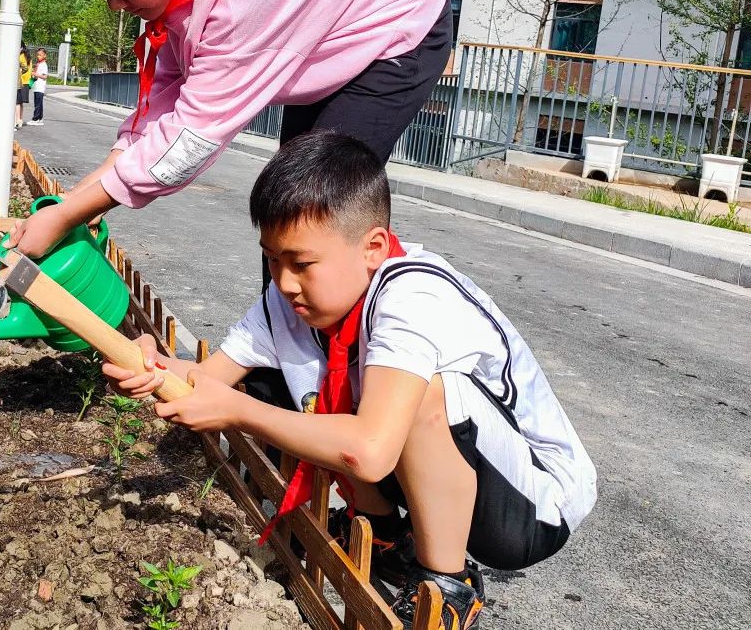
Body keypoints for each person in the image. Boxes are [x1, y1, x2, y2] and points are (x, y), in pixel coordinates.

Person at [103, 132, 597, 630]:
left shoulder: (413, 294)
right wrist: (154, 366)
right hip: (437, 467)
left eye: (302, 263)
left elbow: (373, 449)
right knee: (272, 383)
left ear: (373, 248)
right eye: (272, 260)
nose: (284, 281)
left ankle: (448, 584)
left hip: (529, 503)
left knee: (418, 393)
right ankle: (385, 537)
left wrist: (238, 411)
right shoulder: (286, 300)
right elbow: (211, 378)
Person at [6, 0, 452, 259]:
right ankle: (287, 343)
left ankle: (375, 333)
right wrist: (80, 198)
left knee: (316, 217)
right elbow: (166, 93)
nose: (114, 4)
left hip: (395, 27)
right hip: (329, 26)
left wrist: (68, 214)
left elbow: (191, 137)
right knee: (291, 213)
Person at [30, 48, 49, 125]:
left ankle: (35, 119)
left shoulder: (44, 65)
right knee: (39, 103)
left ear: (44, 55)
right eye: (37, 55)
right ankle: (40, 118)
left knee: (37, 104)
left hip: (40, 86)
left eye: (40, 55)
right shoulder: (39, 64)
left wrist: (35, 74)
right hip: (37, 86)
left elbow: (45, 76)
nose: (38, 56)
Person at [16, 43, 32, 129]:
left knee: (17, 102)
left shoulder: (20, 56)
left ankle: (18, 120)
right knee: (20, 103)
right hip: (26, 80)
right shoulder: (27, 55)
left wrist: (19, 73)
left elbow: (24, 68)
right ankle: (20, 119)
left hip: (21, 80)